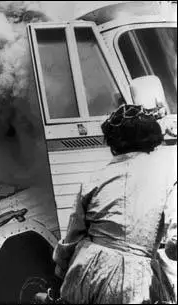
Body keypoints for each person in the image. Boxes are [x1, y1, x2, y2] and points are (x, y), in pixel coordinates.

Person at [52, 104, 177, 304]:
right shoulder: (167, 176)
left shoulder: (94, 178)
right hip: (131, 284)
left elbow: (72, 236)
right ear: (151, 140)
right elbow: (174, 243)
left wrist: (61, 271)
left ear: (113, 143)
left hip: (85, 272)